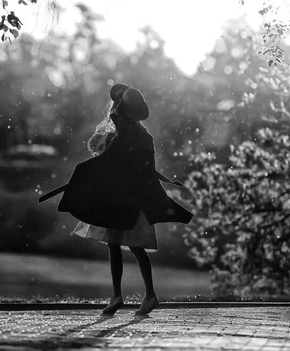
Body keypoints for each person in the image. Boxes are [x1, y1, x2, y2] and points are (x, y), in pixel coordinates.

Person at [43, 83, 193, 315]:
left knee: (131, 246)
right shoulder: (139, 134)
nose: (114, 109)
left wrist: (84, 171)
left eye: (117, 106)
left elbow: (120, 161)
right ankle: (120, 296)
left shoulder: (128, 132)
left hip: (129, 198)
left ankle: (144, 295)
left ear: (121, 109)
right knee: (118, 245)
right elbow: (138, 164)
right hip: (120, 196)